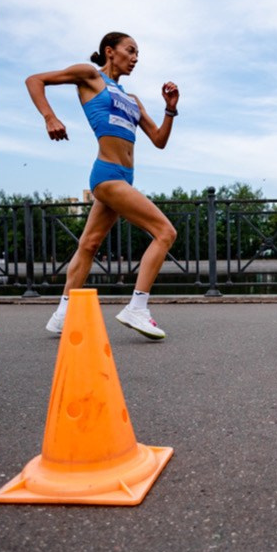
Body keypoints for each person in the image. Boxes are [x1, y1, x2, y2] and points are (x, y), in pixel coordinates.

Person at [26, 32, 179, 340]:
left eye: (137, 54)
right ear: (110, 51)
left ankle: (62, 314)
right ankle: (137, 308)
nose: (135, 58)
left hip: (124, 177)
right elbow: (34, 80)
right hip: (107, 175)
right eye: (130, 51)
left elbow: (159, 140)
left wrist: (170, 109)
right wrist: (49, 117)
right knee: (165, 232)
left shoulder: (132, 100)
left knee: (89, 244)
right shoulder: (90, 76)